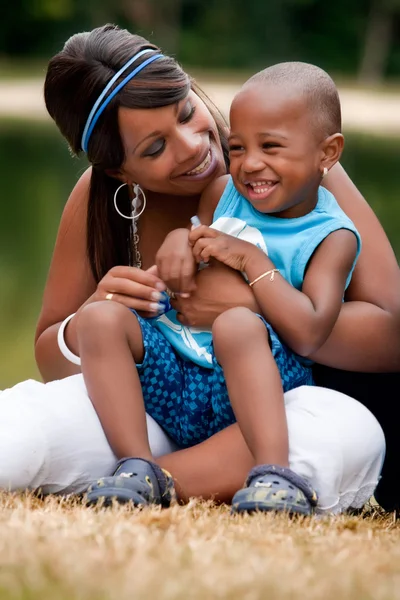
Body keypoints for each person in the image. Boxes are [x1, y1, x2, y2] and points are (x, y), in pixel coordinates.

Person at [19, 23, 397, 512]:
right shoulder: (98, 206)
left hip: (281, 411)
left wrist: (250, 301)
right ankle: (135, 471)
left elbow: (392, 336)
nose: (194, 145)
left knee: (342, 432)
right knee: (26, 423)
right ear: (117, 169)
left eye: (186, 111)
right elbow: (54, 359)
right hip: (157, 412)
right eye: (154, 149)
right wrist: (96, 313)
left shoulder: (293, 163)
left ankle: (149, 482)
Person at [75, 61, 361, 515]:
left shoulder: (332, 236)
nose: (250, 164)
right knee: (100, 317)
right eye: (238, 147)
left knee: (235, 326)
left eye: (271, 147)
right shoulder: (223, 193)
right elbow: (197, 240)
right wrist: (176, 244)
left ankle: (273, 474)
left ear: (327, 154)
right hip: (183, 371)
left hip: (259, 379)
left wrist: (252, 261)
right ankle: (137, 466)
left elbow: (309, 332)